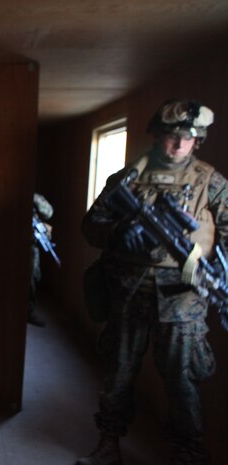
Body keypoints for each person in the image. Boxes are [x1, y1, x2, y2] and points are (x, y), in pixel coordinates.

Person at [78, 99, 226, 465]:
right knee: (118, 374)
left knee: (182, 379)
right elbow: (90, 226)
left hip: (183, 298)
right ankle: (108, 444)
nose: (177, 145)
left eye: (187, 138)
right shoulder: (127, 178)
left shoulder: (212, 182)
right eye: (171, 136)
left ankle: (188, 453)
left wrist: (216, 270)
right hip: (128, 292)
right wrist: (118, 233)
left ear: (198, 141)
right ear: (158, 136)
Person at [30, 192, 54, 326]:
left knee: (33, 277)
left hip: (31, 245)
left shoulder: (35, 197)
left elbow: (49, 212)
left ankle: (28, 310)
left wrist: (34, 199)